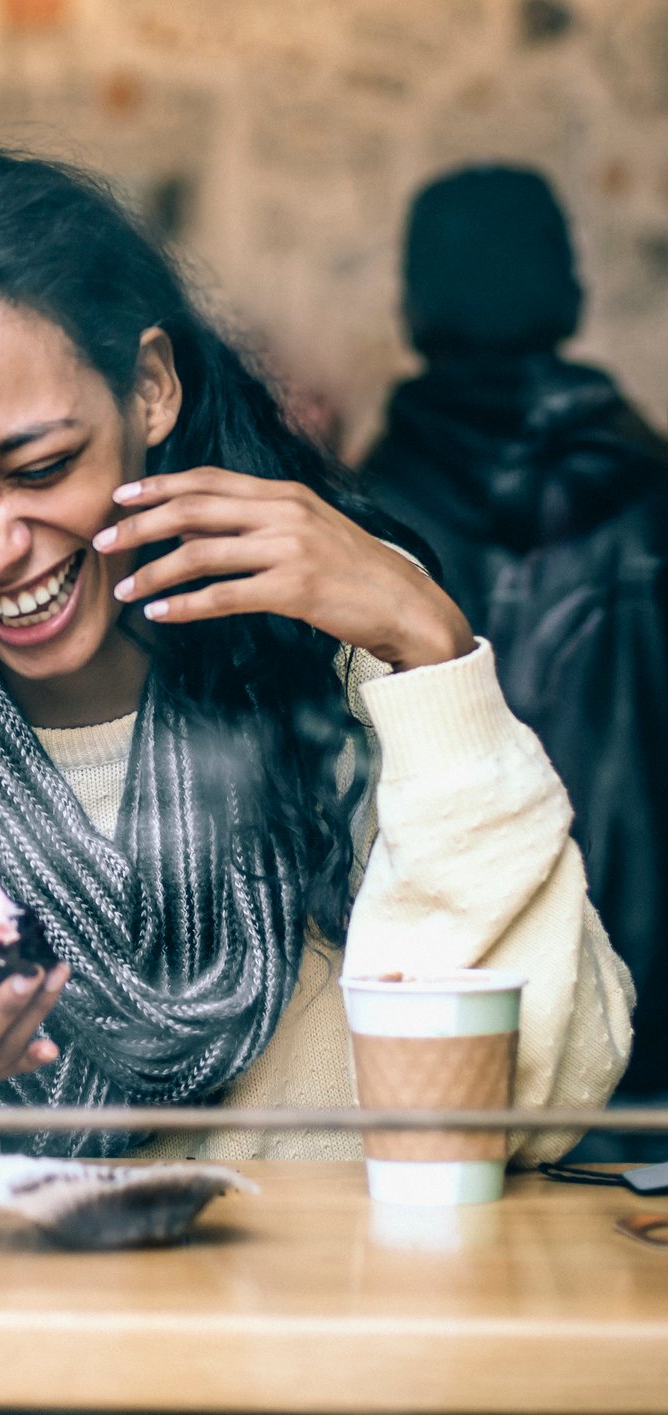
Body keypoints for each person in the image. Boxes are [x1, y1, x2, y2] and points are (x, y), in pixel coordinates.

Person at [0, 149, 634, 1160]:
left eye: (41, 465)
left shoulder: (339, 681)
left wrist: (428, 651)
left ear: (148, 387)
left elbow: (543, 1090)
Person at [360, 165, 668, 1102]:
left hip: (444, 997)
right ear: (567, 292)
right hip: (652, 995)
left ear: (412, 308)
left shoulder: (359, 523)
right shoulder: (653, 496)